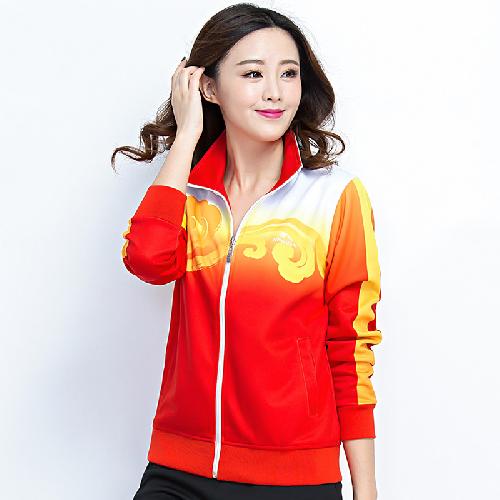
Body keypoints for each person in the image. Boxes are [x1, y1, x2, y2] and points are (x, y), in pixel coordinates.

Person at [112, 3, 382, 500]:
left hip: (294, 477)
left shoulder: (334, 197)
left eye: (288, 73)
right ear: (208, 88)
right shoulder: (185, 194)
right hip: (180, 465)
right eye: (253, 73)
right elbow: (147, 260)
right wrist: (187, 136)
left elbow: (350, 347)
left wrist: (366, 491)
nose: (275, 91)